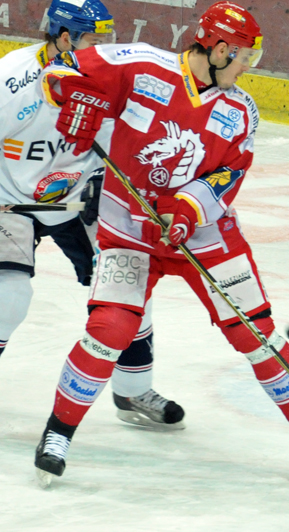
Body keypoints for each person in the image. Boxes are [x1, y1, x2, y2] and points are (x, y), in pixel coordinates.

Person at [33, 1, 289, 484]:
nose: (247, 68)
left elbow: (228, 174)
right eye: (243, 57)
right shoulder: (140, 65)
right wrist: (69, 94)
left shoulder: (240, 110)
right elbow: (60, 67)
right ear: (218, 48)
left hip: (205, 236)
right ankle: (56, 435)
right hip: (128, 230)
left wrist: (188, 209)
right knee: (109, 329)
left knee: (254, 333)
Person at [0, 0, 184, 429]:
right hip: (9, 199)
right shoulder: (12, 81)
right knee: (10, 294)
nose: (105, 47)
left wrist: (111, 181)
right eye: (94, 39)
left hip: (78, 196)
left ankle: (133, 390)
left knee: (129, 282)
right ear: (65, 38)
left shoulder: (113, 76)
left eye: (107, 38)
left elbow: (131, 143)